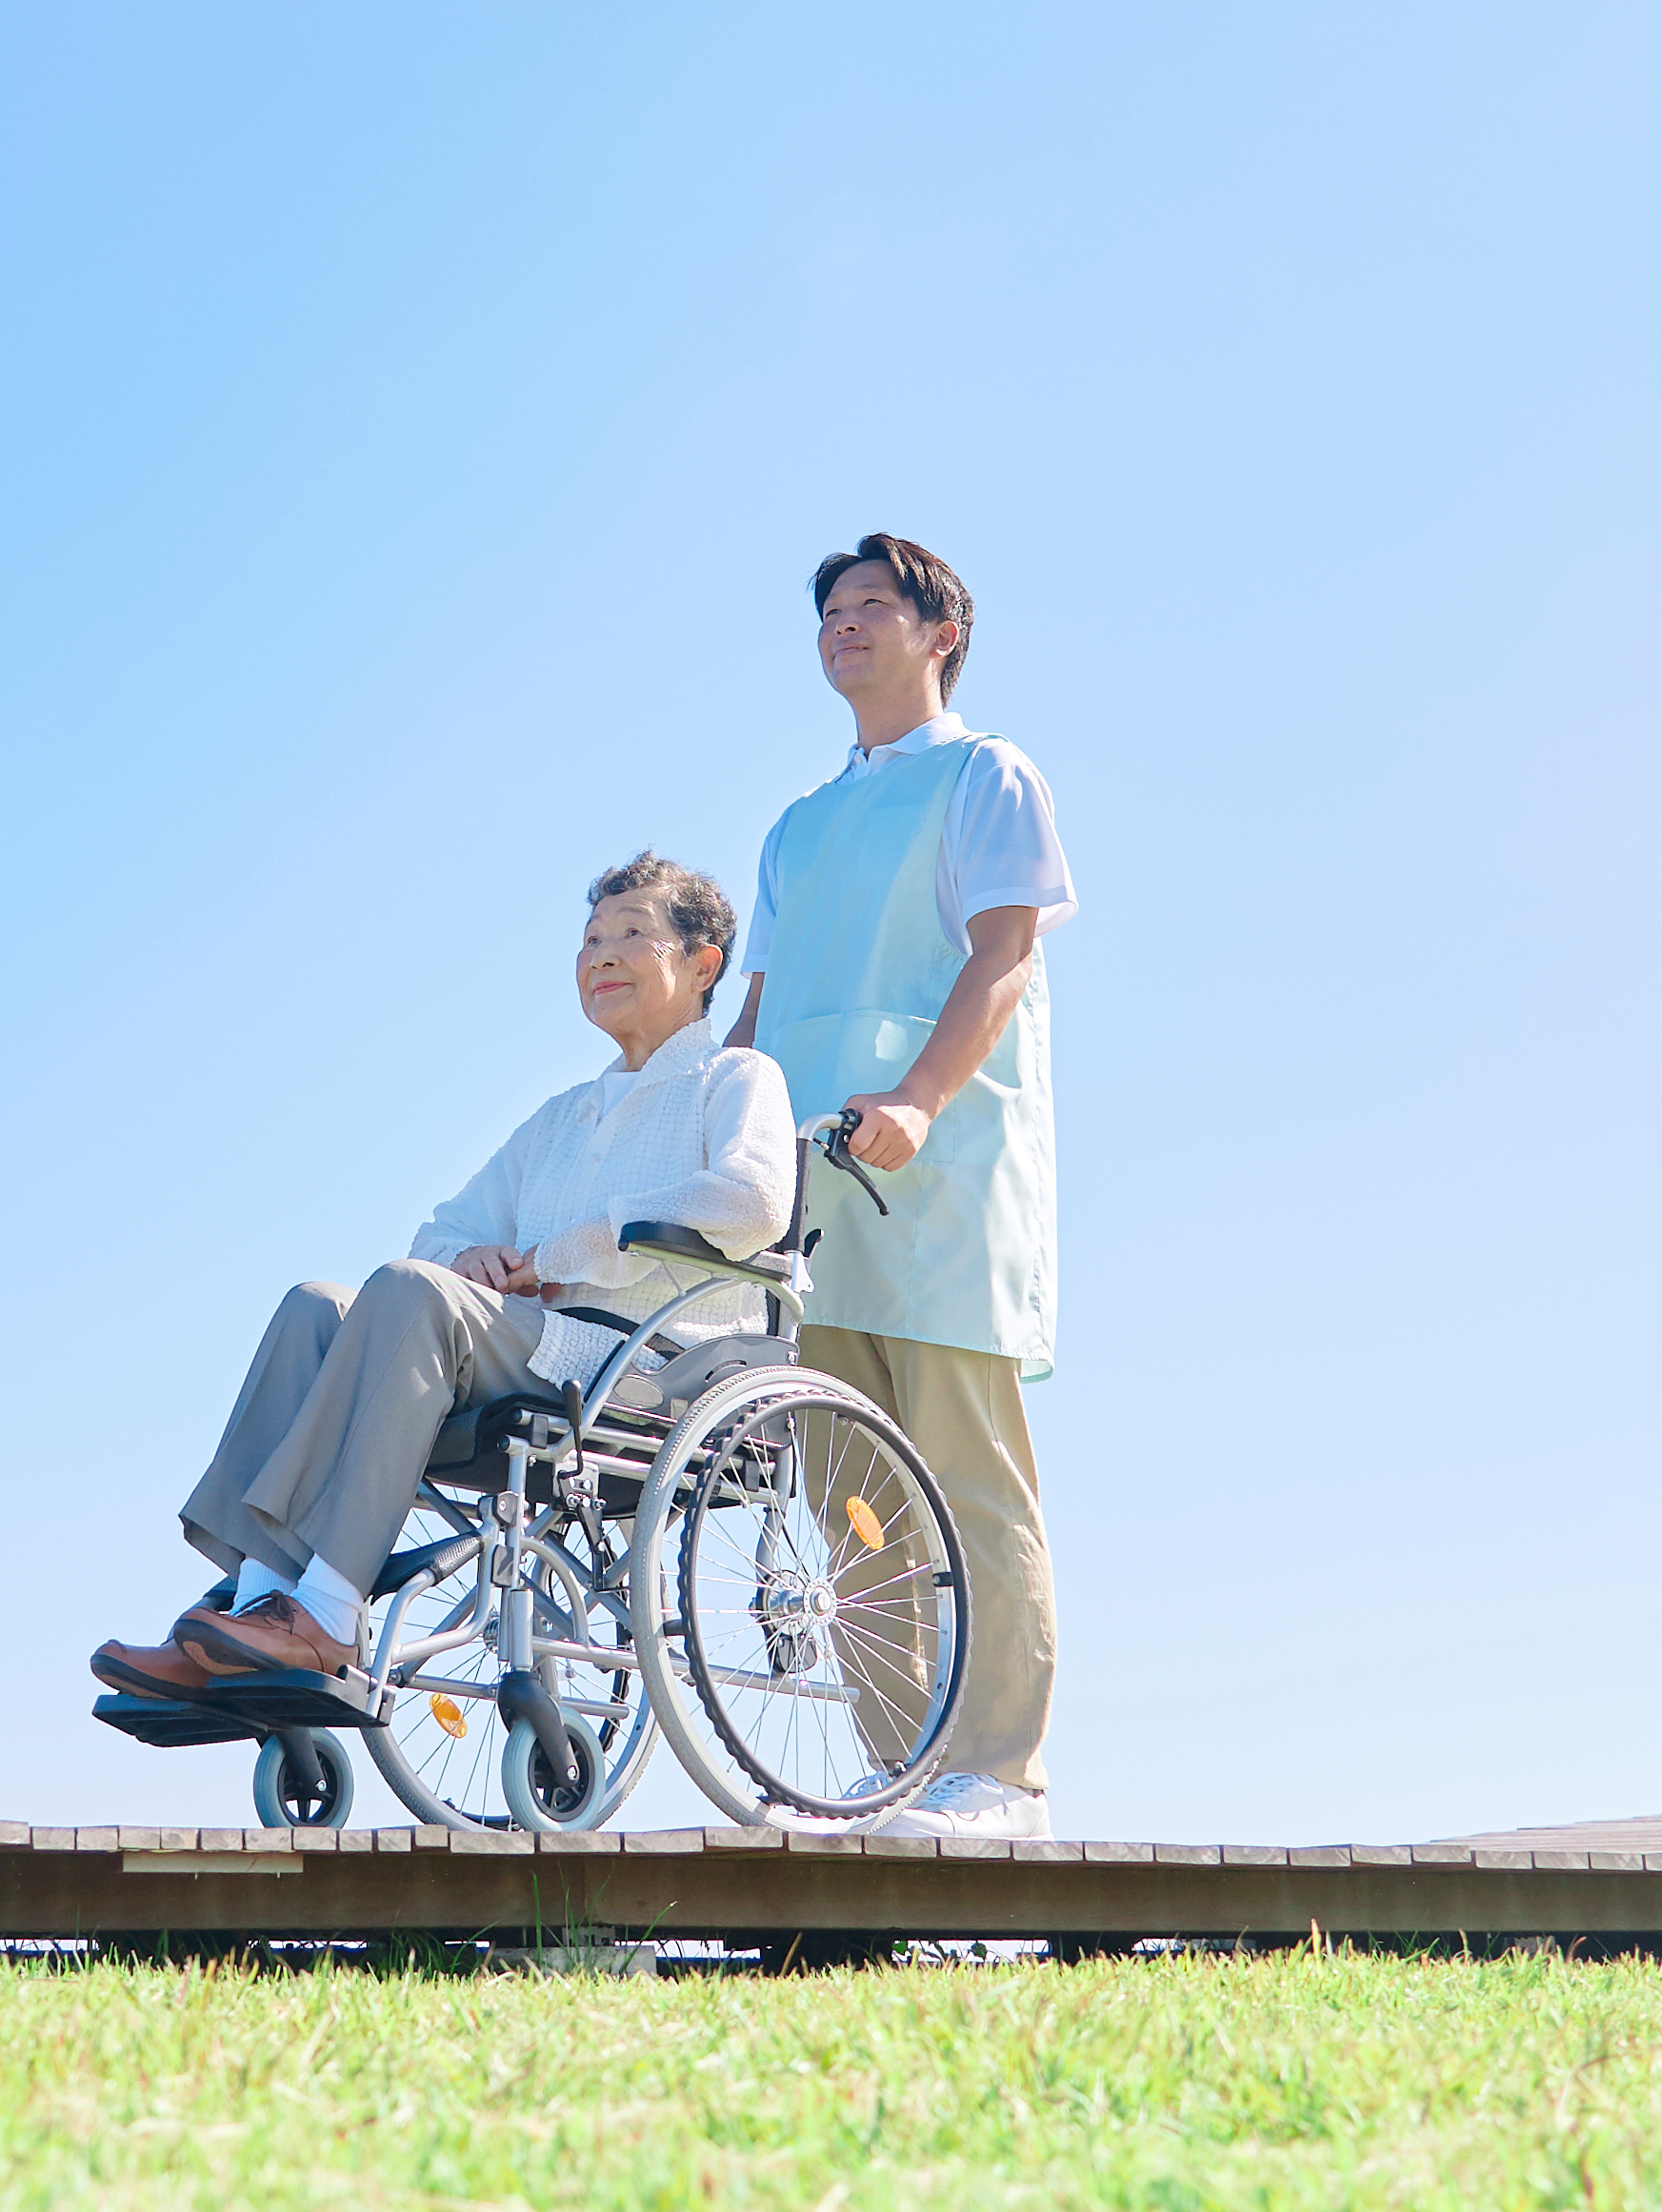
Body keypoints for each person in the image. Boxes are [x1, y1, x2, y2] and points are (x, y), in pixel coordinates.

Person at [98, 855, 796, 1703]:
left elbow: (754, 1200)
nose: (600, 955)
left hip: (652, 1369)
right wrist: (468, 1258)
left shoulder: (735, 1079)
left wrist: (570, 1249)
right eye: (589, 939)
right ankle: (252, 1610)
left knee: (413, 1292)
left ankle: (326, 1611)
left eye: (631, 934)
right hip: (540, 1349)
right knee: (317, 1308)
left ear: (701, 962)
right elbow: (443, 1229)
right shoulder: (561, 1118)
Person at [727, 532, 1074, 1838]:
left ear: (942, 635)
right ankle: (901, 1770)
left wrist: (920, 1100)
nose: (843, 624)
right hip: (805, 1194)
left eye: (873, 605)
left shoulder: (987, 774)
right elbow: (752, 1015)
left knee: (967, 1483)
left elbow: (1001, 955)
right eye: (828, 610)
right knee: (850, 1496)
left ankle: (998, 1775)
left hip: (937, 1178)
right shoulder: (796, 826)